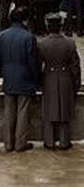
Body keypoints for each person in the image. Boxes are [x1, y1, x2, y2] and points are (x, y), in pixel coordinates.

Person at [0, 6, 38, 152]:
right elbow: (32, 61)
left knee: (9, 111)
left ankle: (8, 143)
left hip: (8, 77)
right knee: (23, 111)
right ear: (24, 20)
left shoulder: (1, 36)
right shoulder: (29, 37)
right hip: (25, 77)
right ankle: (20, 143)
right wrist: (35, 78)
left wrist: (1, 73)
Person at [37, 13, 81, 150]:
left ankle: (49, 141)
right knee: (65, 112)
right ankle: (64, 141)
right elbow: (75, 66)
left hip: (48, 77)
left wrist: (39, 82)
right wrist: (76, 83)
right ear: (61, 26)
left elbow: (37, 65)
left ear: (47, 26)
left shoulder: (42, 44)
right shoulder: (70, 43)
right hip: (65, 78)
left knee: (49, 111)